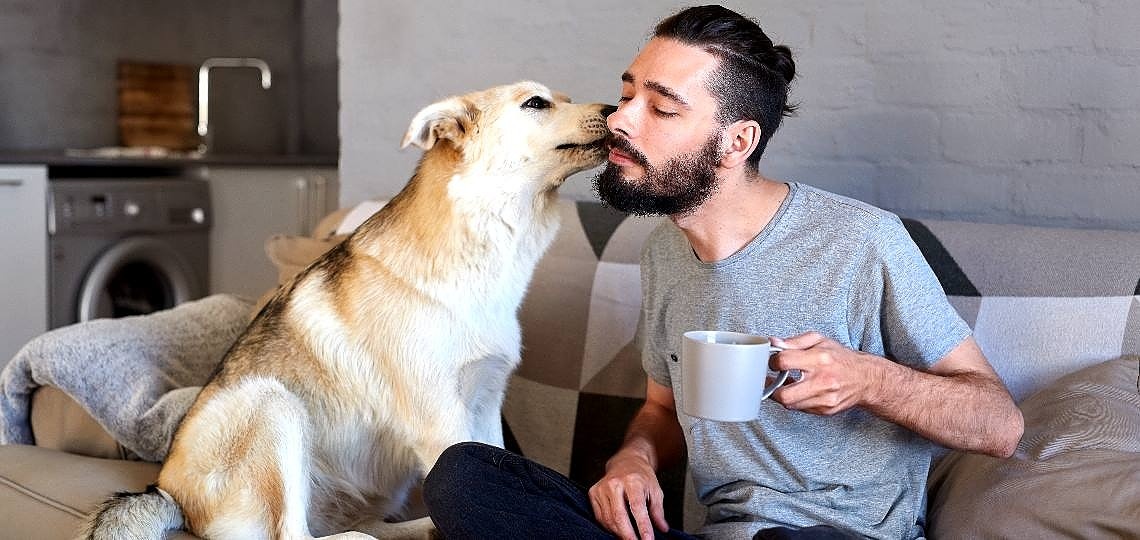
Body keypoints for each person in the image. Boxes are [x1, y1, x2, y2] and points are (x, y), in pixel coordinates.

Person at [423, 5, 1024, 539]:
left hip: (836, 534)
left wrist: (871, 381)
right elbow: (661, 410)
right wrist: (632, 460)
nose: (621, 120)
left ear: (736, 141)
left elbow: (1000, 425)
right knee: (464, 477)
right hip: (724, 532)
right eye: (628, 93)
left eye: (662, 108)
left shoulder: (861, 240)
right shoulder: (663, 253)